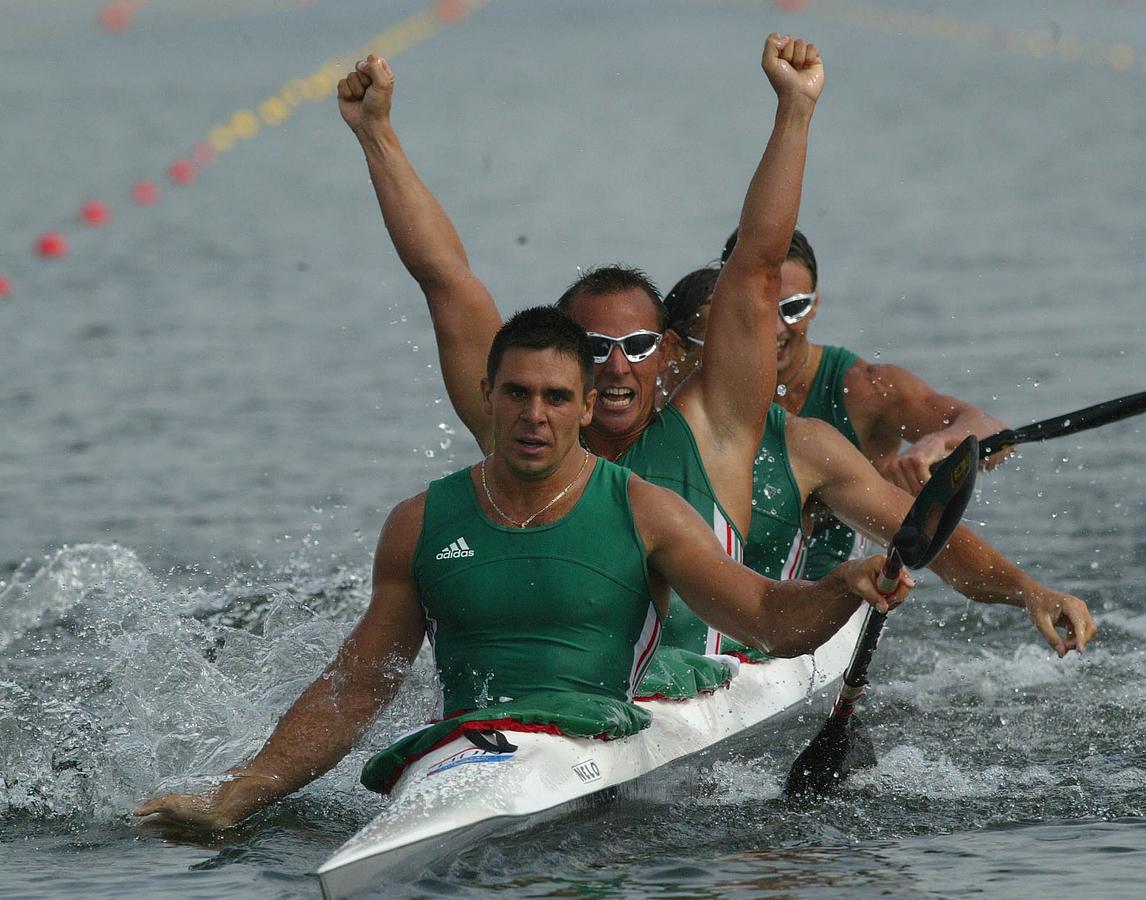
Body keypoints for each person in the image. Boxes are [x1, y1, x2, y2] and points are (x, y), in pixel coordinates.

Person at [134, 308, 912, 829]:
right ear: (488, 397)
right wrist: (242, 792)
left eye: (556, 397)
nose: (535, 415)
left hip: (597, 754)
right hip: (464, 755)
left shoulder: (648, 513)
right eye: (517, 393)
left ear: (585, 408)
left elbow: (769, 623)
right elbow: (359, 684)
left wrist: (841, 587)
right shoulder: (419, 523)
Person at [339, 36, 823, 655]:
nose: (617, 366)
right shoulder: (527, 426)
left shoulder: (715, 433)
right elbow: (446, 280)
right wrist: (376, 133)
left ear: (669, 353)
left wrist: (794, 110)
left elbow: (756, 267)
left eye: (638, 345)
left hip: (698, 696)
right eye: (596, 348)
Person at [660, 267, 1096, 657]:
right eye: (734, 339)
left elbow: (940, 527)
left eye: (790, 309)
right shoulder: (636, 420)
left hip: (790, 607)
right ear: (670, 351)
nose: (768, 339)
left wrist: (1028, 591)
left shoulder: (838, 414)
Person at [717, 228, 1014, 579]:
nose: (777, 328)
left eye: (794, 308)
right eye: (763, 308)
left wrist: (940, 443)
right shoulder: (698, 384)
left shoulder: (865, 391)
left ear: (816, 304)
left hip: (835, 584)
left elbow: (996, 437)